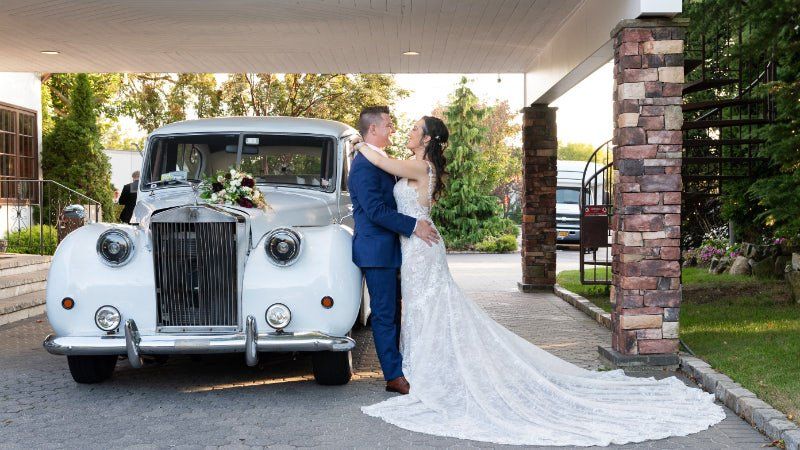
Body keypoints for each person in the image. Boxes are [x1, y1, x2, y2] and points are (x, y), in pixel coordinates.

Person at [357, 115, 726, 447]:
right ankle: (421, 370)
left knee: (431, 307)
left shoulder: (417, 166)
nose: (405, 131)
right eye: (399, 128)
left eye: (412, 129)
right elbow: (383, 177)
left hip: (421, 248)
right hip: (413, 247)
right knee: (424, 310)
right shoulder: (413, 165)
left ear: (426, 140)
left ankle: (429, 373)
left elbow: (381, 161)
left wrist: (359, 144)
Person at [348, 106, 439, 396]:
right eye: (388, 124)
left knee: (403, 312)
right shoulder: (363, 165)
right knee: (385, 314)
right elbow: (375, 210)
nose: (393, 129)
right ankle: (393, 376)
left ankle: (407, 365)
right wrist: (414, 225)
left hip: (399, 249)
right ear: (372, 129)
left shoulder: (381, 161)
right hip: (377, 251)